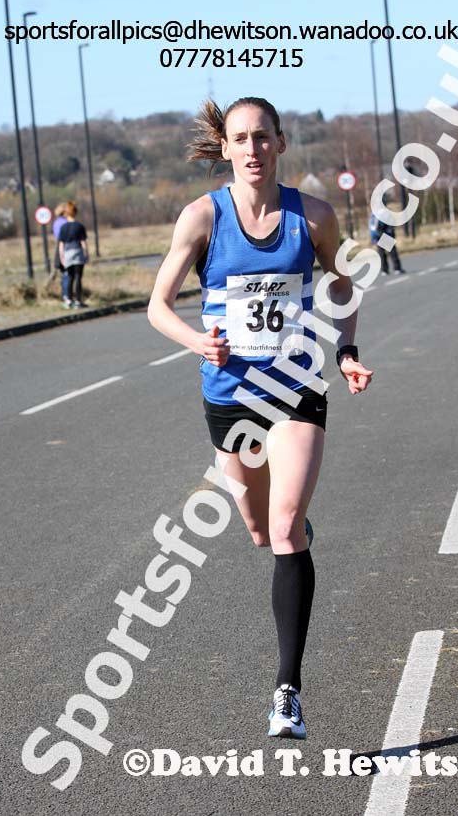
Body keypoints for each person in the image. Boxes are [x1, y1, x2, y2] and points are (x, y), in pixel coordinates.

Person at [148, 97, 373, 739]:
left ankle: (287, 692)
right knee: (253, 525)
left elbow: (344, 284)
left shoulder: (315, 216)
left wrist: (348, 350)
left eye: (263, 137)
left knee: (285, 527)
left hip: (297, 388)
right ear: (226, 148)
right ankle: (284, 527)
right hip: (231, 396)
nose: (253, 149)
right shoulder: (201, 219)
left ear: (281, 142)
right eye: (241, 139)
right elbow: (157, 305)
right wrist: (198, 341)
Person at [58, 201, 88, 309]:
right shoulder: (80, 226)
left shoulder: (63, 227)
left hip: (67, 253)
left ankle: (69, 300)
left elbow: (61, 244)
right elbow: (83, 242)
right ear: (75, 212)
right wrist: (86, 254)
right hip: (77, 252)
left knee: (70, 277)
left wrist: (62, 257)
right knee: (78, 277)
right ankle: (78, 300)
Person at [369, 210, 405, 274]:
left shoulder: (373, 213)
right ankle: (397, 269)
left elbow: (372, 226)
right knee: (392, 252)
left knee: (381, 253)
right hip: (385, 234)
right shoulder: (385, 212)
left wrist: (373, 238)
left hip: (377, 235)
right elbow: (391, 224)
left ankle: (384, 270)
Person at [52, 203, 67, 273]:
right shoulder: (65, 222)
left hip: (59, 245)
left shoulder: (56, 222)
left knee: (63, 271)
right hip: (66, 245)